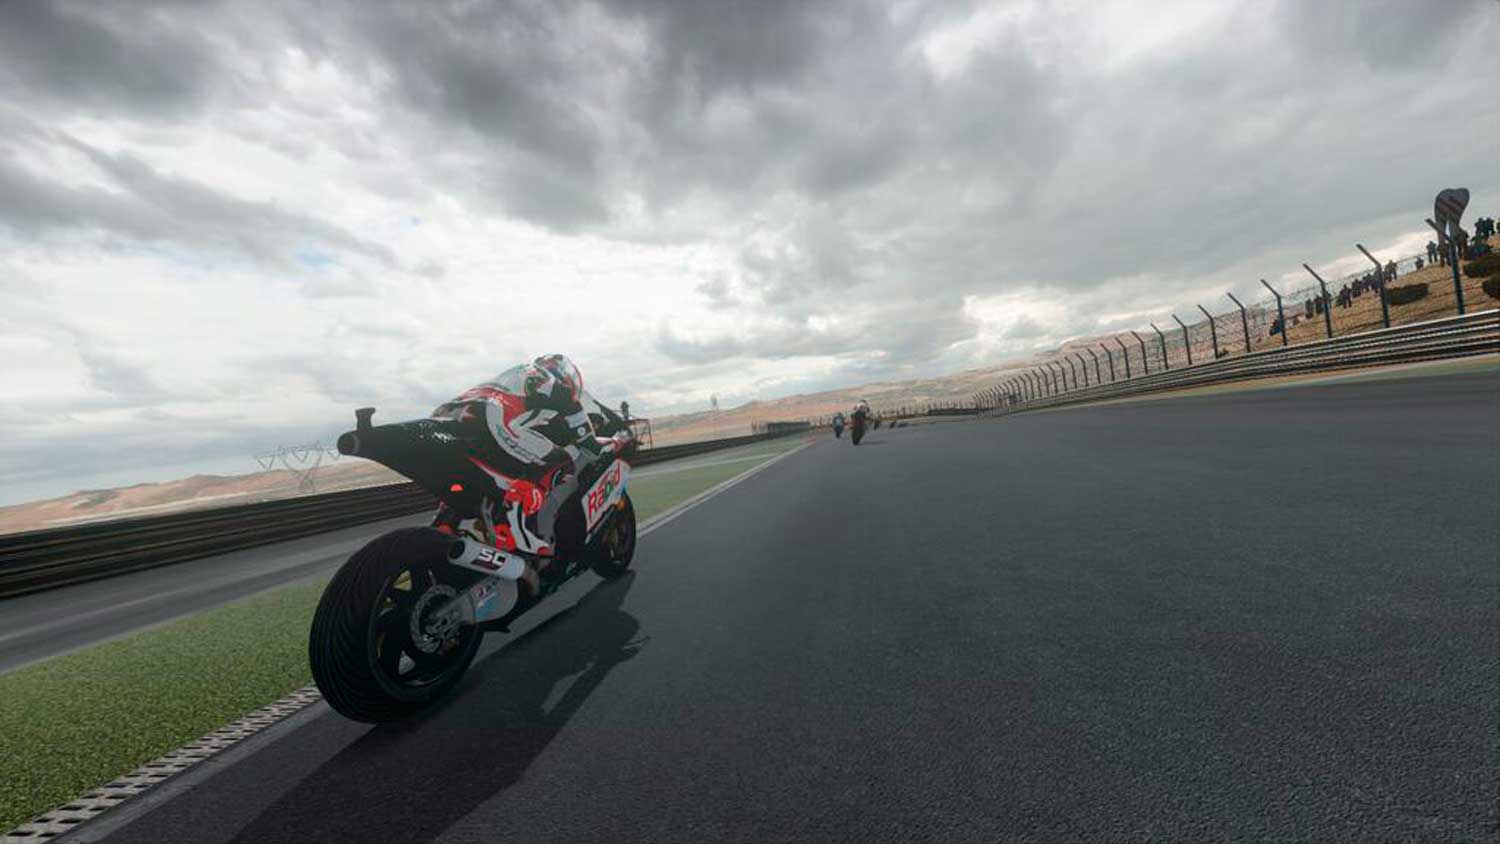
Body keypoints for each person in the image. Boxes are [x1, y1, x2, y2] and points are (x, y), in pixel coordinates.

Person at [429, 354, 630, 580]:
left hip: (447, 417)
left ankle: (443, 527)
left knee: (468, 477)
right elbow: (590, 447)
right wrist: (616, 441)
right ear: (566, 376)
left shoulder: (516, 376)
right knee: (561, 462)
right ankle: (525, 543)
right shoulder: (560, 389)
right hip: (491, 418)